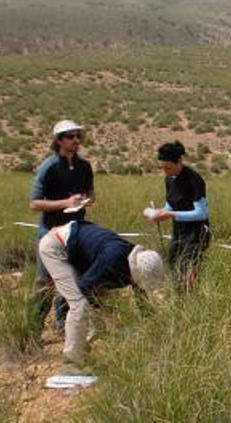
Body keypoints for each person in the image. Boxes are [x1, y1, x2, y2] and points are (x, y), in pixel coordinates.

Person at [38, 220, 164, 370]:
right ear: (135, 272)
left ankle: (83, 351)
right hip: (56, 246)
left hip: (76, 250)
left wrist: (157, 329)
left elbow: (142, 299)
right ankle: (71, 363)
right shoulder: (111, 260)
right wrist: (99, 310)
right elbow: (82, 289)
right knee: (79, 304)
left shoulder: (136, 258)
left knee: (94, 312)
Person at [28, 119, 95, 331]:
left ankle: (62, 326)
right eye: (70, 136)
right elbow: (35, 203)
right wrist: (65, 203)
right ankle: (33, 328)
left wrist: (86, 200)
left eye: (78, 136)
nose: (76, 140)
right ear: (58, 140)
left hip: (76, 231)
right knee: (44, 283)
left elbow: (90, 192)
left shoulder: (85, 166)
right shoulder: (48, 167)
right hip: (51, 233)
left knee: (71, 279)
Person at [148, 141, 210, 290]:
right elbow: (171, 203)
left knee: (187, 271)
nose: (165, 171)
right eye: (162, 168)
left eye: (168, 167)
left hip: (196, 234)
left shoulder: (194, 180)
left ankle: (189, 300)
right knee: (171, 263)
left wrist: (170, 214)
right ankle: (176, 297)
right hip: (179, 232)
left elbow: (201, 213)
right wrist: (161, 212)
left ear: (179, 162)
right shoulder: (168, 179)